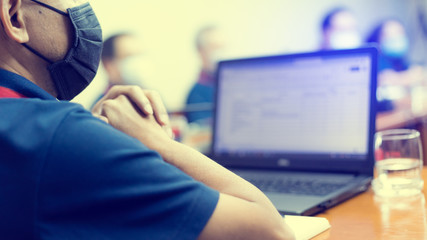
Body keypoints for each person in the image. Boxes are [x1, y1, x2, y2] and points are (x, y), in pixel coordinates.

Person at [0, 0, 294, 239]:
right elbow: (271, 231)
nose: (83, 10)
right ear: (14, 16)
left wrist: (95, 141)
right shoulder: (59, 135)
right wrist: (153, 140)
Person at [94, 32, 156, 104]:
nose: (139, 62)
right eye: (130, 56)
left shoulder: (152, 97)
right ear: (108, 66)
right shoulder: (102, 108)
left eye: (140, 54)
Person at [185, 25, 226, 124]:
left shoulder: (233, 87)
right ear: (200, 51)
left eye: (223, 47)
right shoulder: (196, 94)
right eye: (214, 47)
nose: (221, 53)